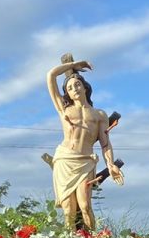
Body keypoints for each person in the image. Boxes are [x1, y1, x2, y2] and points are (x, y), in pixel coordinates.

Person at [46, 58, 123, 229]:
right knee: (69, 211)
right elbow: (51, 75)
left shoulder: (99, 115)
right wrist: (73, 66)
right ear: (67, 92)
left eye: (77, 85)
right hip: (65, 159)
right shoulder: (64, 109)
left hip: (86, 161)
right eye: (69, 88)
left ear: (85, 87)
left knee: (86, 206)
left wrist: (110, 164)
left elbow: (105, 143)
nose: (74, 89)